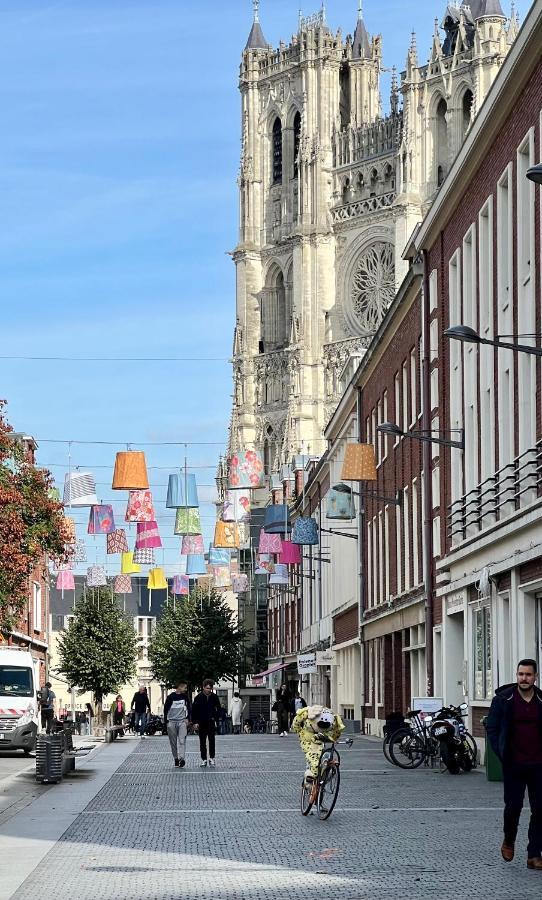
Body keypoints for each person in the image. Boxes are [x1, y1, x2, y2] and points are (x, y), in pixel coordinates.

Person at [486, 658, 542, 871]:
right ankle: (509, 839)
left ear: (535, 677)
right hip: (514, 764)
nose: (524, 678)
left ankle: (534, 854)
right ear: (517, 675)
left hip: (538, 764)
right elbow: (492, 728)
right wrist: (502, 753)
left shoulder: (541, 701)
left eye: (528, 674)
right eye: (521, 674)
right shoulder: (503, 700)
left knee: (540, 809)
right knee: (513, 807)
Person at [292, 704, 345, 784]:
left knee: (326, 756)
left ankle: (323, 775)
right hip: (308, 744)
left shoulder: (327, 726)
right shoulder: (306, 732)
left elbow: (335, 731)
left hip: (320, 743)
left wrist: (333, 738)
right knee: (313, 758)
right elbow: (296, 725)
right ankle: (311, 777)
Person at [191, 679, 221, 767]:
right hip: (201, 722)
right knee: (202, 742)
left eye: (210, 688)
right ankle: (204, 759)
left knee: (212, 740)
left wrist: (216, 717)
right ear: (203, 687)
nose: (209, 690)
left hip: (211, 721)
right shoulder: (198, 697)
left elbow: (218, 708)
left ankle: (212, 758)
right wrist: (195, 722)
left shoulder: (214, 697)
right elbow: (194, 711)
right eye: (207, 688)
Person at [164, 681, 192, 768]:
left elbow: (189, 708)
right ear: (179, 687)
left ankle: (182, 759)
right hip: (171, 722)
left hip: (182, 721)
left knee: (182, 741)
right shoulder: (170, 697)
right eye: (185, 688)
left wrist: (188, 719)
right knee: (173, 743)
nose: (186, 689)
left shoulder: (185, 697)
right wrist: (167, 722)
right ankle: (176, 758)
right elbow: (165, 710)